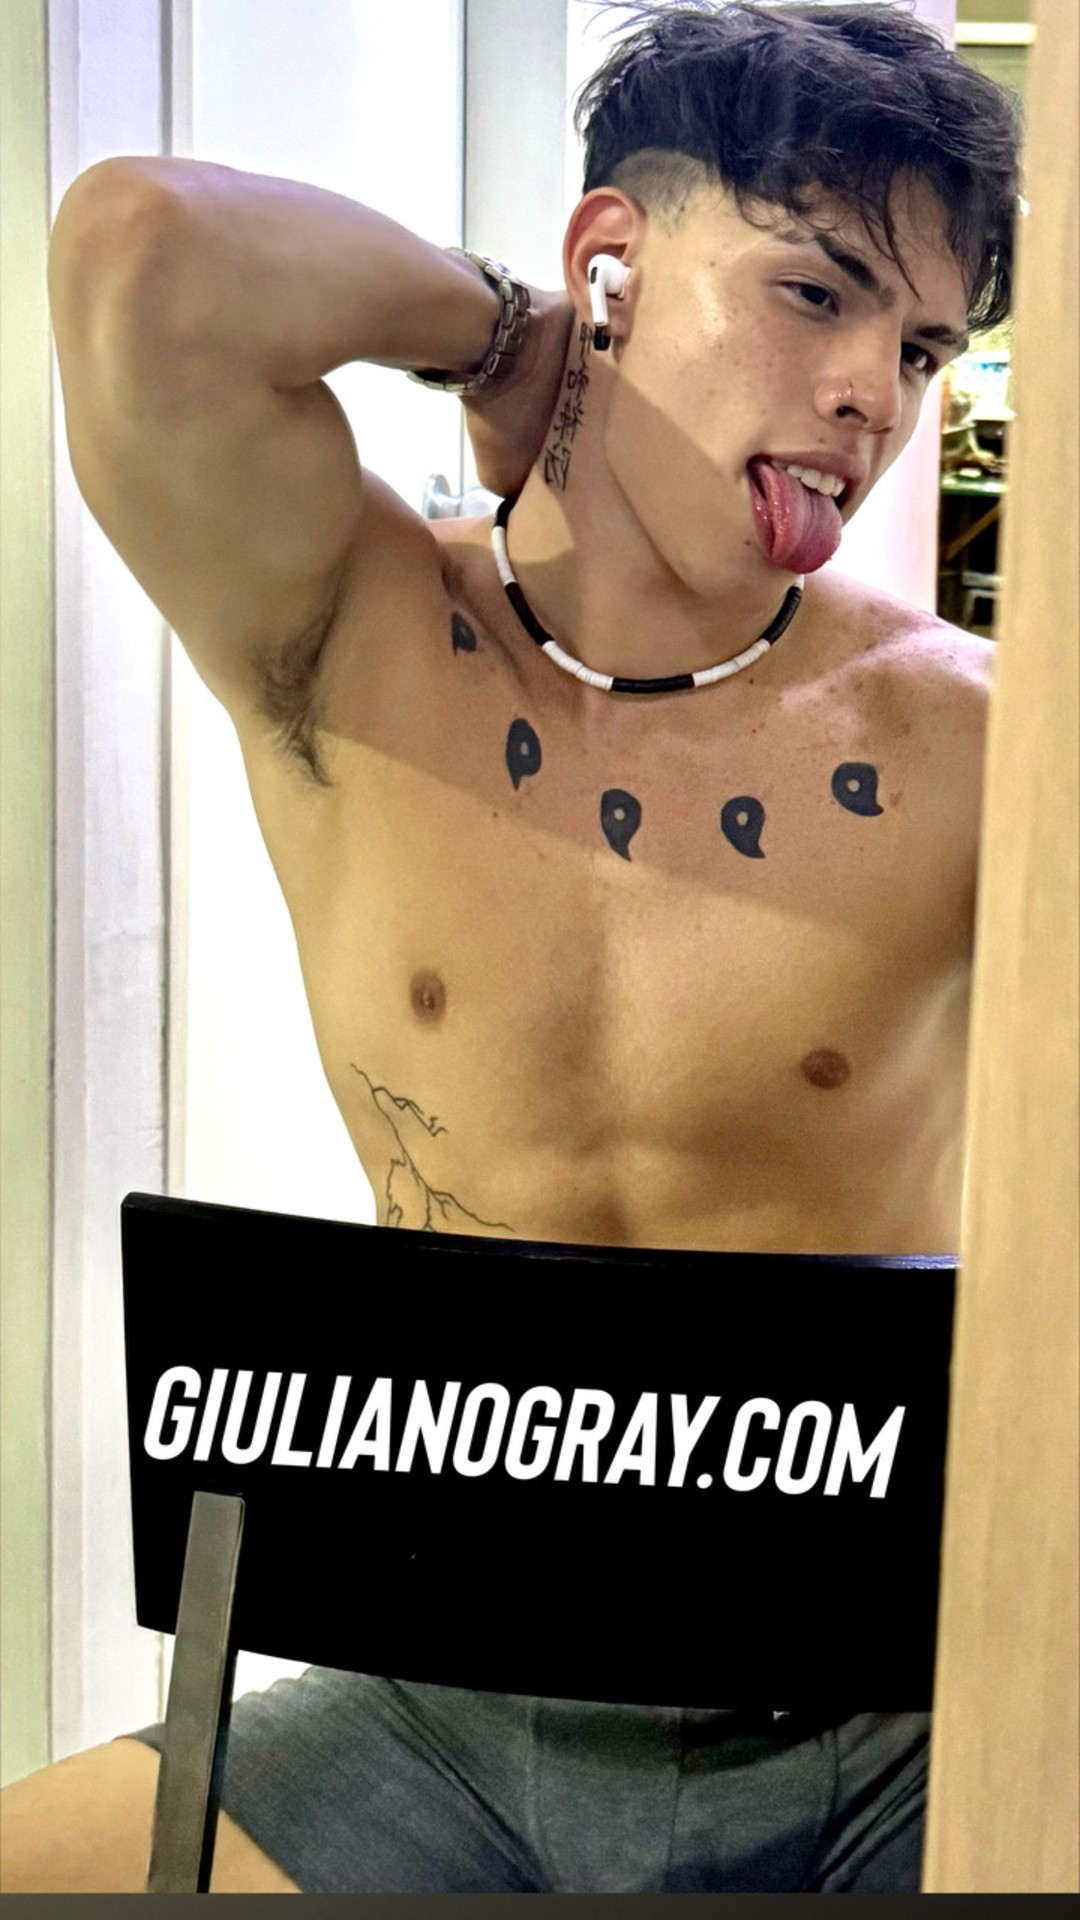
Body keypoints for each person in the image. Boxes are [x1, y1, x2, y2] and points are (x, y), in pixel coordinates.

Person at [5, 0, 1020, 1894]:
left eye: (917, 348)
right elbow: (141, 252)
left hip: (886, 1708)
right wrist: (499, 336)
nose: (871, 398)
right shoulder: (355, 629)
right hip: (440, 1706)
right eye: (814, 294)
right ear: (609, 257)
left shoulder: (974, 740)